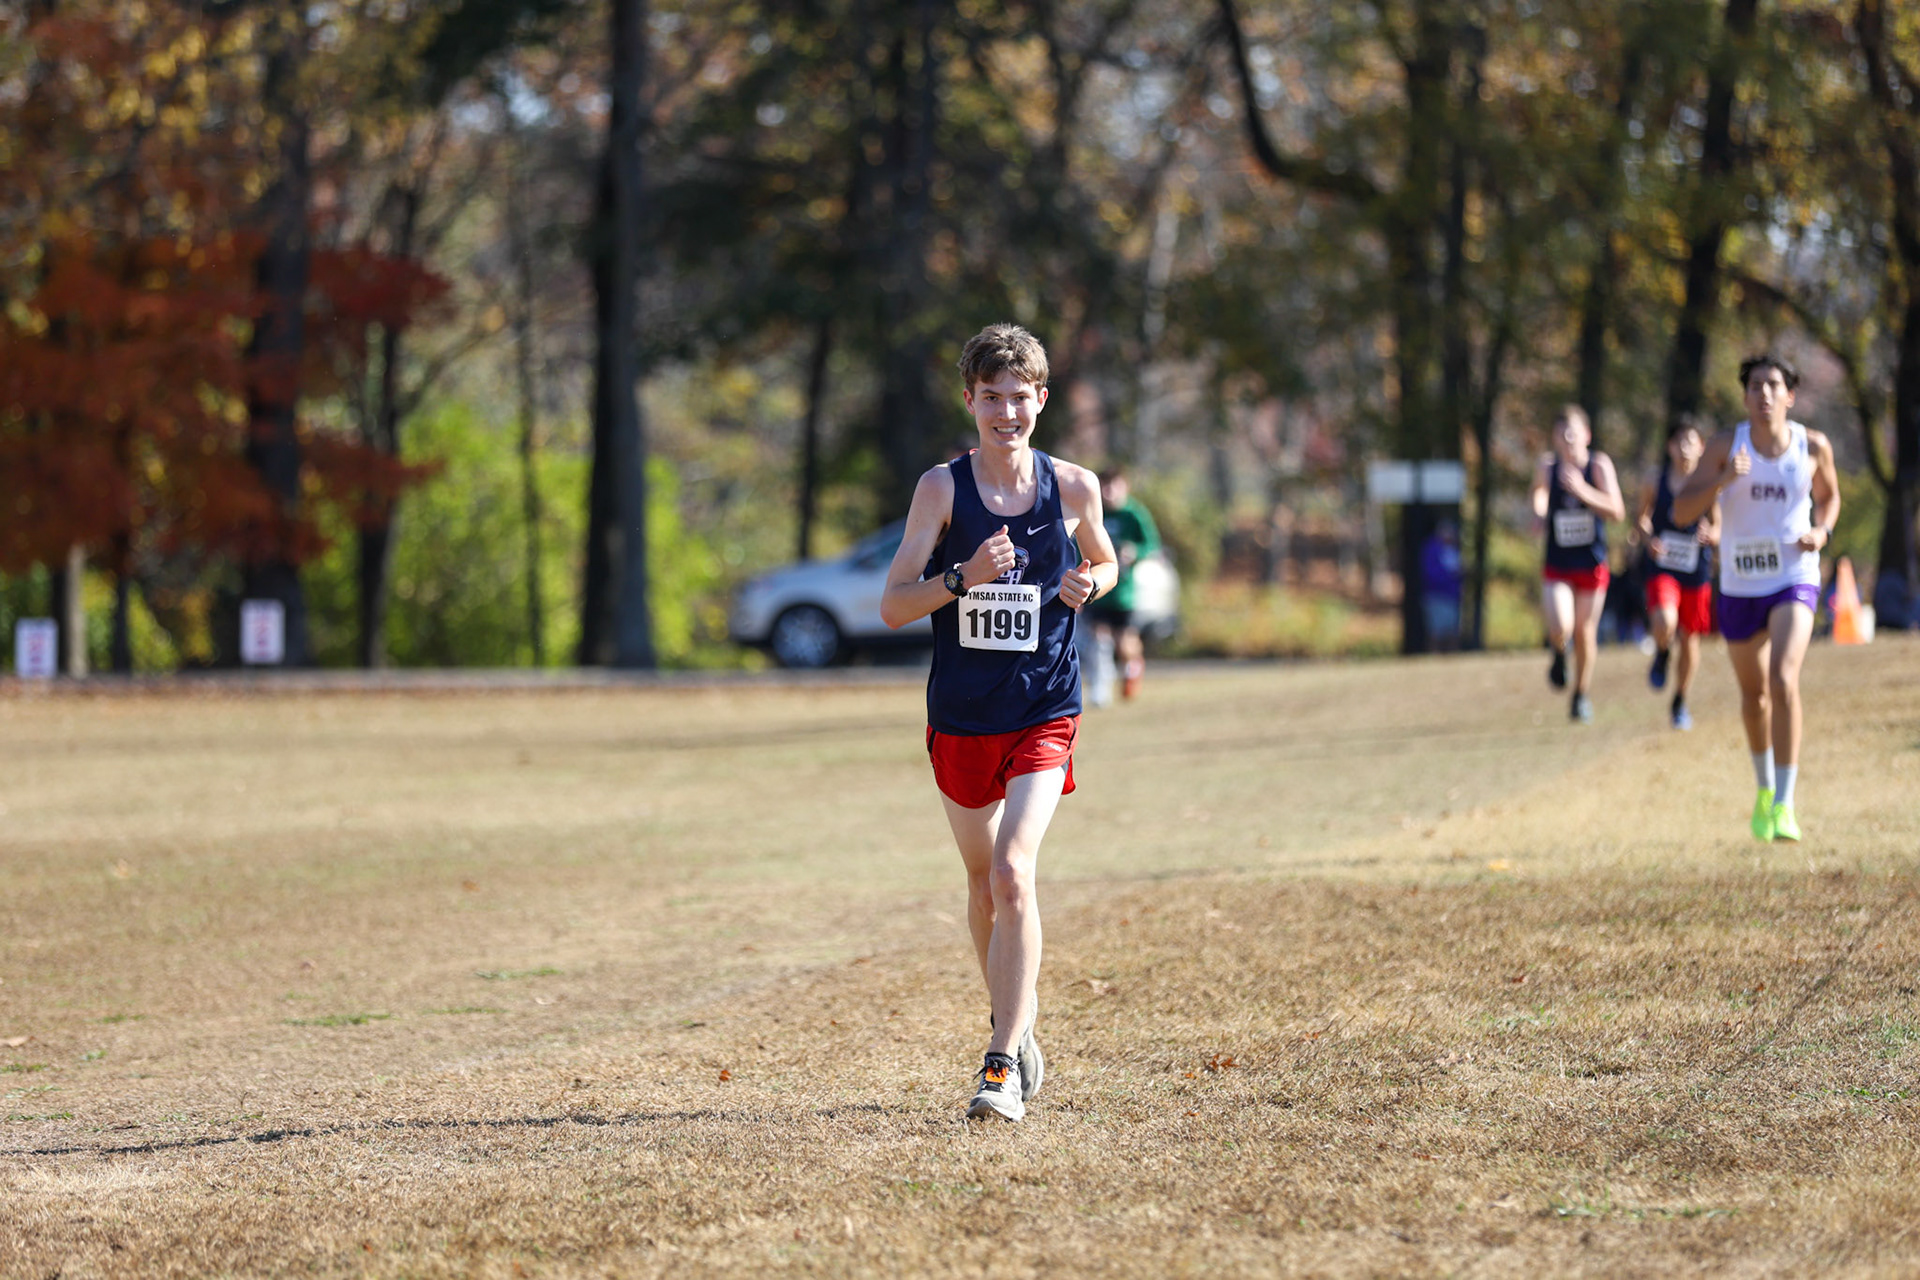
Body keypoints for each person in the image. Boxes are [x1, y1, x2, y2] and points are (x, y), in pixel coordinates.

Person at [880, 323, 1118, 1122]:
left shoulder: (1075, 486)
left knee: (1016, 871)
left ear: (1042, 402)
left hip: (1045, 707)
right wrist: (963, 574)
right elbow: (892, 604)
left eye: (1021, 397)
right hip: (961, 717)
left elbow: (1106, 558)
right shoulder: (941, 490)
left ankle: (999, 1067)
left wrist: (1093, 583)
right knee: (982, 882)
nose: (1006, 412)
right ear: (971, 401)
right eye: (992, 398)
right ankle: (1015, 1020)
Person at [1672, 353, 1839, 842]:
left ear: (1790, 395)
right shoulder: (1726, 446)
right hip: (1740, 585)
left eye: (1773, 385)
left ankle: (1786, 804)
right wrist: (1723, 481)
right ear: (1744, 397)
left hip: (1794, 575)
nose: (1764, 394)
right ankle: (1764, 792)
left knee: (1783, 677)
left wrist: (1822, 532)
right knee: (1754, 696)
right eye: (1754, 387)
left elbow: (1829, 497)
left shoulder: (1813, 445)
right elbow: (1683, 510)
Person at [1529, 405, 1626, 722]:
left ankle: (1581, 694)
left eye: (1574, 431)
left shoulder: (1598, 465)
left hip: (1592, 563)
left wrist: (1583, 491)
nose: (1568, 438)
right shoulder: (1548, 465)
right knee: (1560, 626)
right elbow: (1539, 494)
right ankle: (1558, 652)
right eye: (1562, 432)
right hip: (1558, 563)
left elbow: (1616, 510)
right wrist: (1539, 513)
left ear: (1587, 435)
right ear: (1555, 438)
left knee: (1585, 633)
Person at [1633, 418, 1720, 730]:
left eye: (1691, 441)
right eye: (1679, 442)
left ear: (1701, 447)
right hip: (1663, 566)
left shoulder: (1708, 484)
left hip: (1695, 571)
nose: (1685, 448)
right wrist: (1648, 539)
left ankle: (1680, 700)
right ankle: (1661, 651)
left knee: (1690, 640)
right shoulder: (1655, 481)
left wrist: (1712, 534)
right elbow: (1641, 520)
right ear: (1670, 447)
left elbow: (1719, 527)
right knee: (1665, 621)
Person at [1087, 467, 1161, 701]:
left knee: (1124, 642)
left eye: (1113, 486)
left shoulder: (1134, 514)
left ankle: (1133, 667)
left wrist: (1135, 552)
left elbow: (1152, 545)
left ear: (1124, 487)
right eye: (1104, 486)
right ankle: (1101, 687)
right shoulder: (1093, 511)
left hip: (1123, 591)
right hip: (1097, 587)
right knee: (1098, 638)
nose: (1108, 492)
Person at [1419, 517, 1464, 652]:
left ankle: (1452, 660)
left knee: (1452, 632)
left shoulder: (1453, 549)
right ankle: (1434, 658)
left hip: (1452, 597)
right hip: (1436, 596)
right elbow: (1430, 573)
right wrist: (1450, 576)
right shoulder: (1432, 548)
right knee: (1436, 632)